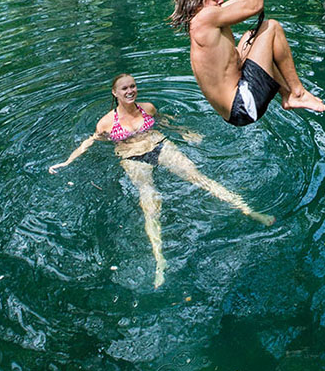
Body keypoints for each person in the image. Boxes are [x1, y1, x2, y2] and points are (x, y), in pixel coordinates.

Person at [49, 73, 273, 288]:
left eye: (133, 86)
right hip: (132, 157)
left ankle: (248, 210)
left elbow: (164, 122)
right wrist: (67, 162)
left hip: (160, 145)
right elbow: (89, 142)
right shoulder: (106, 123)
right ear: (115, 92)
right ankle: (160, 259)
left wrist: (185, 132)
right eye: (125, 88)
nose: (130, 91)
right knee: (150, 201)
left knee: (199, 178)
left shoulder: (147, 108)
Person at [170, 0, 325, 127]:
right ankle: (297, 93)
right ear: (197, 4)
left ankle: (286, 95)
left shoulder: (204, 18)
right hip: (243, 105)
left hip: (236, 108)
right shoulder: (205, 18)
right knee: (271, 27)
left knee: (250, 37)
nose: (221, 0)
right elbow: (254, 5)